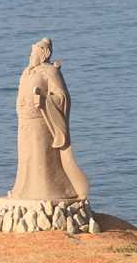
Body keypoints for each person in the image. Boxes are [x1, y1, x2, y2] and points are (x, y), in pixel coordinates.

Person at [10, 38, 89, 201]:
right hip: (25, 123)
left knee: (41, 158)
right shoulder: (28, 72)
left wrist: (45, 101)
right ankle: (23, 190)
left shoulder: (51, 72)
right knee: (26, 158)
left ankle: (51, 191)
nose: (30, 57)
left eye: (34, 54)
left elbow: (62, 97)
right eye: (30, 53)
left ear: (44, 55)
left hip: (42, 123)